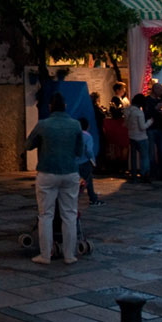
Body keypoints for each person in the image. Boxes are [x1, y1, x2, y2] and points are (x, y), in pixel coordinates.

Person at [25, 92, 83, 265]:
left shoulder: (43, 125)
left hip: (47, 173)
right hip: (70, 172)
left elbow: (28, 145)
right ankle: (70, 255)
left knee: (45, 214)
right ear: (65, 106)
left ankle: (45, 255)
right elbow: (79, 151)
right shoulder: (75, 125)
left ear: (50, 107)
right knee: (70, 214)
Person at [143, 83, 162, 181]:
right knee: (151, 153)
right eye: (160, 89)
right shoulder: (147, 100)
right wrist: (156, 109)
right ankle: (153, 173)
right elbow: (146, 114)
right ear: (154, 90)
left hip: (160, 128)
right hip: (151, 128)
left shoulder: (161, 100)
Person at [125, 93, 153, 183]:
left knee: (133, 158)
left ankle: (134, 176)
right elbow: (142, 127)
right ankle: (145, 174)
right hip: (141, 137)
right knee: (144, 157)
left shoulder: (127, 110)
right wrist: (150, 122)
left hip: (131, 136)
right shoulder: (139, 112)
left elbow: (126, 124)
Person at [78, 118, 102, 206]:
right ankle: (92, 198)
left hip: (75, 161)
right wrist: (92, 160)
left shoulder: (75, 134)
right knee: (88, 180)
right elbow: (89, 150)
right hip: (84, 160)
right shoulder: (87, 136)